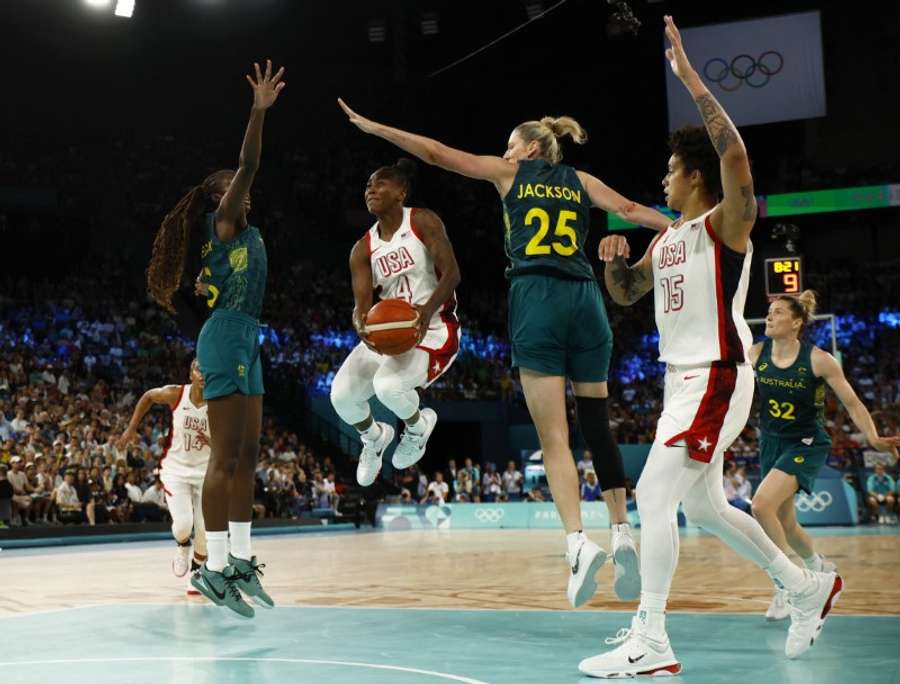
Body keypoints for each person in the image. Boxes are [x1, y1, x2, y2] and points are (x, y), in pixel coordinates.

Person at [580, 17, 843, 677]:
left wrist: (692, 79)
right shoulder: (668, 238)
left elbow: (735, 158)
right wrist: (610, 261)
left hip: (717, 375)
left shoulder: (727, 224)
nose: (662, 181)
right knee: (704, 505)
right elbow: (628, 293)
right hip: (682, 382)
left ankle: (654, 640)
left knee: (652, 495)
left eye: (670, 171)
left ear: (693, 177)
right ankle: (804, 584)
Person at [338, 86, 670, 608]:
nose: (505, 152)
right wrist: (685, 227)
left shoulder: (510, 174)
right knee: (596, 423)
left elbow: (436, 153)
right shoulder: (581, 180)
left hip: (537, 297)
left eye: (510, 146)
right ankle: (624, 531)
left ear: (529, 150)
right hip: (586, 299)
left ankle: (578, 545)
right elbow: (630, 208)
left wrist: (376, 128)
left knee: (554, 436)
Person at [146, 60, 285, 618]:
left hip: (246, 334)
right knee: (223, 459)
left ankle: (242, 560)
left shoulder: (243, 232)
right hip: (225, 332)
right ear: (216, 201)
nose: (241, 193)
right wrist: (258, 111)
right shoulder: (223, 225)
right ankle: (213, 568)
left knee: (248, 453)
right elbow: (250, 163)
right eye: (230, 190)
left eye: (240, 189)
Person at [749, 292, 900, 619]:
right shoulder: (756, 353)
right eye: (769, 312)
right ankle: (818, 567)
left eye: (777, 313)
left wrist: (872, 437)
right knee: (786, 523)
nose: (769, 318)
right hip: (771, 442)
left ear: (796, 323)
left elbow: (853, 403)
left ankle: (788, 586)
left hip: (805, 442)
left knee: (760, 506)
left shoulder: (819, 359)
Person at [329, 159, 461, 486]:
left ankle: (417, 427)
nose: (370, 190)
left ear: (401, 192)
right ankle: (375, 437)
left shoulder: (422, 221)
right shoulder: (362, 248)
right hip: (394, 329)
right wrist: (361, 325)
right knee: (341, 396)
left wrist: (425, 312)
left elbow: (453, 274)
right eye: (367, 187)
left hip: (433, 327)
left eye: (379, 184)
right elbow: (361, 307)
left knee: (387, 387)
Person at [118, 359, 212, 595]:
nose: (203, 374)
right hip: (176, 470)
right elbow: (148, 396)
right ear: (191, 372)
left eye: (208, 371)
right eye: (199, 369)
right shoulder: (176, 394)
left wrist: (213, 442)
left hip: (205, 473)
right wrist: (131, 429)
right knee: (183, 526)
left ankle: (197, 572)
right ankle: (182, 546)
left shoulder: (220, 403)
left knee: (205, 532)